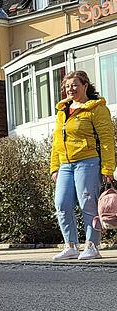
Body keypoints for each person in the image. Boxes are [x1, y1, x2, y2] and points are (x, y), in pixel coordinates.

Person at [50, 70, 116, 261]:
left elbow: (106, 140)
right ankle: (70, 246)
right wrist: (55, 166)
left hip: (88, 162)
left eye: (75, 85)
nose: (70, 89)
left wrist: (107, 168)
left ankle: (92, 246)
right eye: (67, 86)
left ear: (85, 86)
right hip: (65, 165)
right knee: (61, 204)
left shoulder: (96, 108)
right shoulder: (63, 111)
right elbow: (56, 141)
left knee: (88, 204)